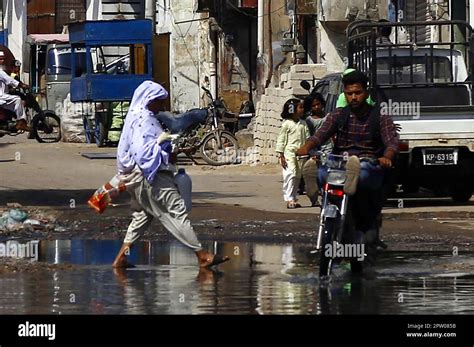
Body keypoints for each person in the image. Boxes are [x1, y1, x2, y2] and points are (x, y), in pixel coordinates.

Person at [112, 80, 230, 269]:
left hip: (135, 178)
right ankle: (203, 255)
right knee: (176, 212)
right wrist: (167, 152)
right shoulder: (144, 120)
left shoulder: (136, 117)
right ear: (149, 99)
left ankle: (121, 258)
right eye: (159, 101)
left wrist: (166, 146)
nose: (162, 106)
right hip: (151, 178)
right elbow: (143, 153)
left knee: (143, 217)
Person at [297, 70, 399, 249]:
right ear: (344, 94)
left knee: (365, 173)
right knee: (322, 171)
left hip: (368, 163)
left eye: (357, 93)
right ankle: (315, 186)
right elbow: (320, 135)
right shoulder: (338, 115)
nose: (353, 97)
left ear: (366, 93)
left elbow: (391, 143)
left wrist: (387, 157)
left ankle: (353, 179)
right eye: (349, 93)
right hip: (339, 164)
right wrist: (306, 147)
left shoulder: (380, 116)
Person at [276, 98, 310, 209]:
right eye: (300, 107)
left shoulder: (303, 124)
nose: (302, 109)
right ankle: (289, 198)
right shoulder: (286, 124)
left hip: (300, 154)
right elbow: (281, 139)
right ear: (292, 109)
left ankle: (293, 197)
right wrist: (281, 154)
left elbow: (308, 138)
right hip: (289, 153)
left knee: (297, 176)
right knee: (290, 174)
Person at [301, 93, 333, 207]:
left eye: (318, 104)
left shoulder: (329, 117)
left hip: (328, 148)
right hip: (315, 149)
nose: (316, 107)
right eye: (313, 106)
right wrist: (312, 152)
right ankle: (313, 196)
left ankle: (328, 196)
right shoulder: (309, 120)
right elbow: (309, 136)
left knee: (328, 174)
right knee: (314, 174)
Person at [0, 52, 29, 131]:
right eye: (0, 59)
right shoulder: (1, 72)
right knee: (17, 99)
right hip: (1, 96)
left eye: (3, 59)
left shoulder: (4, 71)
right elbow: (10, 81)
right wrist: (22, 85)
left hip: (4, 95)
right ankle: (21, 122)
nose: (2, 61)